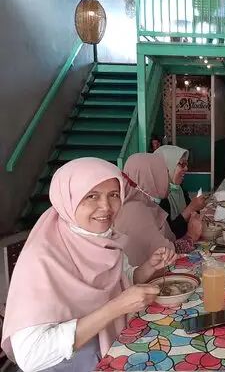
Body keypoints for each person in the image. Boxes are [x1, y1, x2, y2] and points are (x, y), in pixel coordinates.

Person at [1, 158, 176, 372]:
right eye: (91, 196)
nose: (106, 207)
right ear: (69, 198)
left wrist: (149, 266)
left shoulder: (104, 240)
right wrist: (115, 308)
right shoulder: (42, 259)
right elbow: (30, 356)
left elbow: (122, 279)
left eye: (113, 195)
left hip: (108, 351)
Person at [115, 153, 195, 266]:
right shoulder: (136, 211)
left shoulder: (148, 203)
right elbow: (166, 255)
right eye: (164, 173)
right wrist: (191, 236)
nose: (168, 179)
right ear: (151, 176)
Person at [154, 145, 205, 241]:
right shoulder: (158, 197)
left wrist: (195, 208)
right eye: (182, 164)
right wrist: (190, 209)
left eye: (186, 164)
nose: (186, 169)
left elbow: (192, 217)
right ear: (167, 166)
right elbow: (169, 234)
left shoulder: (178, 189)